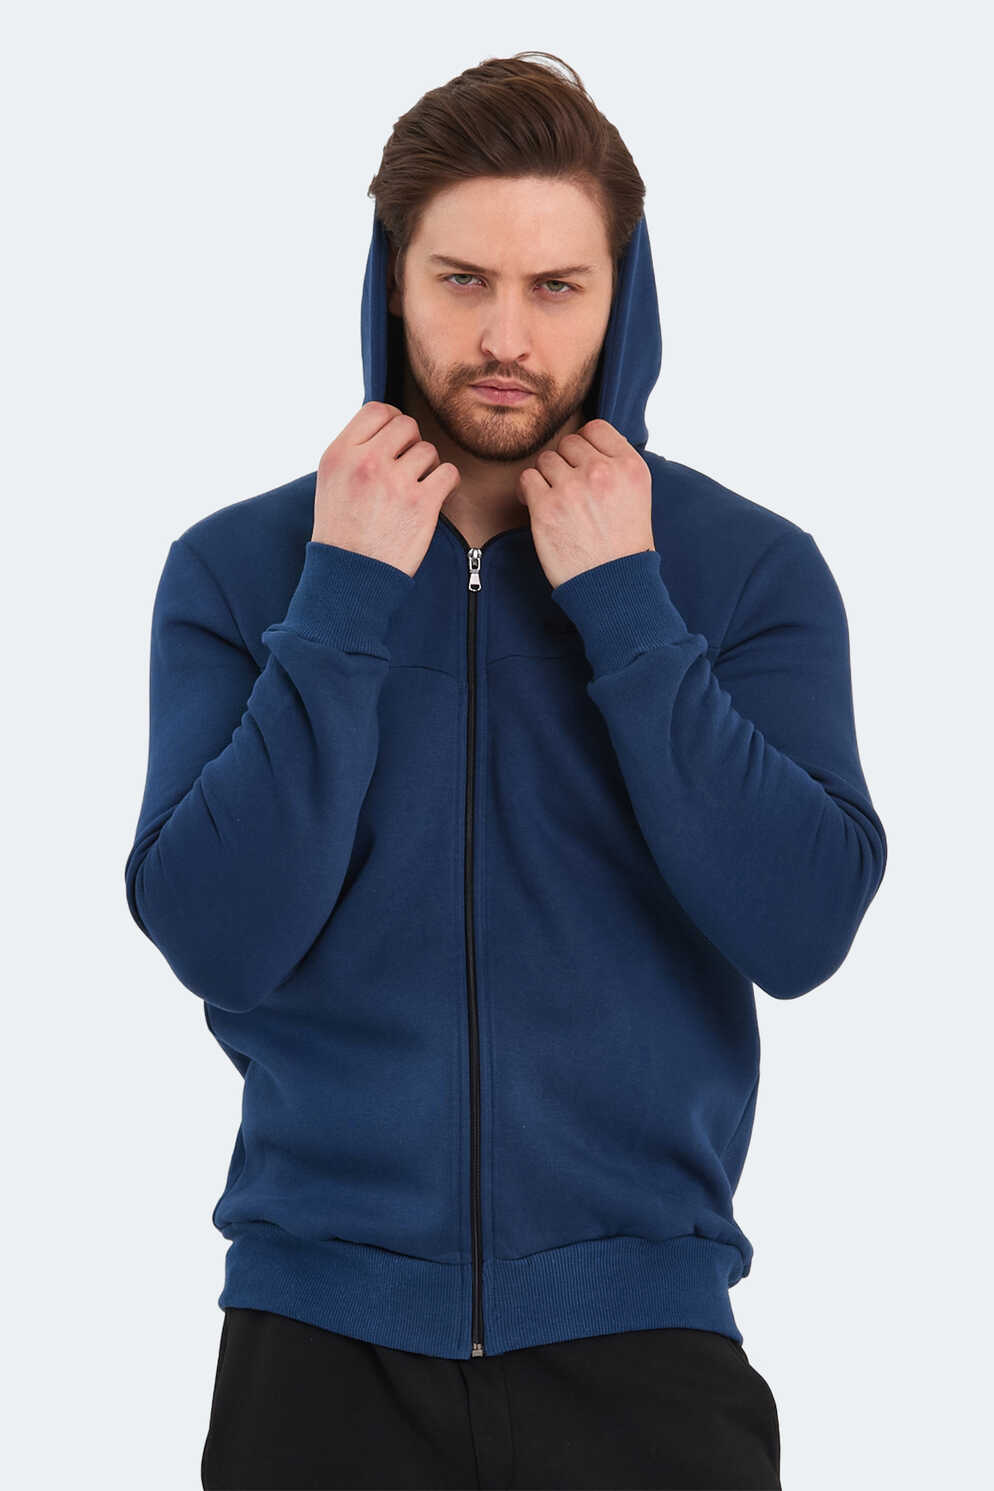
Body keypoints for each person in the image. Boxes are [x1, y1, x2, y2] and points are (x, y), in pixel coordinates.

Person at [124, 50, 887, 1491]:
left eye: (556, 287)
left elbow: (801, 929)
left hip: (646, 1353)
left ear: (622, 296)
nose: (505, 337)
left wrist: (630, 612)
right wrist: (345, 596)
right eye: (462, 280)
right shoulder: (243, 569)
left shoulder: (742, 571)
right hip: (316, 1357)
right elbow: (217, 933)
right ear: (391, 283)